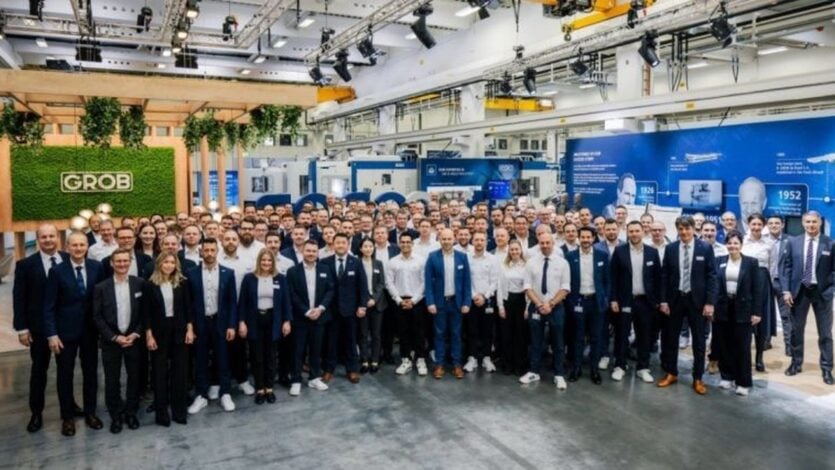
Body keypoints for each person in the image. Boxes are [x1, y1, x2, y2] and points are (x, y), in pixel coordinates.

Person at [43, 231, 105, 436]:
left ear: (87, 247)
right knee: (65, 375)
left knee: (91, 374)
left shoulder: (97, 267)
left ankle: (90, 413)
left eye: (82, 245)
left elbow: (102, 299)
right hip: (64, 333)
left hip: (90, 332)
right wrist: (52, 334)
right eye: (74, 245)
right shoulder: (56, 272)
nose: (78, 248)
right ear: (67, 247)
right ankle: (67, 417)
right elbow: (48, 306)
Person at [13, 224, 69, 433]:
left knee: (66, 371)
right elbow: (19, 298)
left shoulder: (69, 258)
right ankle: (36, 412)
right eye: (43, 237)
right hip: (38, 329)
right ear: (38, 239)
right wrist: (21, 328)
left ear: (57, 238)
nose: (48, 240)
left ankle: (68, 409)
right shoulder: (25, 265)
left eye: (51, 236)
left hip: (65, 327)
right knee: (39, 371)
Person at [658, 215, 718, 395]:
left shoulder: (705, 248)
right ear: (677, 230)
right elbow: (664, 276)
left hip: (697, 301)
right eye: (681, 229)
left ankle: (697, 378)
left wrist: (710, 302)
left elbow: (712, 276)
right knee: (671, 339)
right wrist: (663, 300)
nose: (684, 232)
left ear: (693, 229)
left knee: (699, 341)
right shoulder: (670, 248)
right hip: (675, 299)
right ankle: (671, 373)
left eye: (687, 228)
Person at [93, 248, 147, 434]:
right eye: (118, 261)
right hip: (111, 342)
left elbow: (145, 313)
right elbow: (97, 316)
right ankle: (116, 415)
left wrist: (136, 333)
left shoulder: (140, 283)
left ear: (130, 262)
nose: (122, 264)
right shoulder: (101, 287)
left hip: (134, 340)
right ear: (111, 263)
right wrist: (114, 337)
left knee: (134, 378)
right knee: (112, 380)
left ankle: (131, 412)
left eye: (125, 261)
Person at [781, 211, 834, 385]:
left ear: (820, 223)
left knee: (825, 333)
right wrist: (786, 290)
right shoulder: (793, 242)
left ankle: (826, 369)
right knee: (796, 331)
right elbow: (786, 267)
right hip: (799, 292)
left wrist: (831, 290)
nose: (811, 225)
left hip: (822, 293)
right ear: (803, 223)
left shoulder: (830, 243)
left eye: (814, 222)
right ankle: (796, 363)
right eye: (808, 222)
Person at [187, 238, 239, 414]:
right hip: (200, 323)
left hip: (220, 322)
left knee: (223, 358)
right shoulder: (191, 273)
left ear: (217, 251)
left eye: (212, 250)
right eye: (206, 250)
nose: (209, 253)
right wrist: (190, 326)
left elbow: (232, 302)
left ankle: (225, 393)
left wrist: (231, 325)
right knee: (200, 359)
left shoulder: (228, 273)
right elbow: (188, 303)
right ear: (201, 252)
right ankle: (201, 395)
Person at [144, 253, 194, 426]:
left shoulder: (182, 282)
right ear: (159, 264)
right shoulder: (150, 285)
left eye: (172, 262)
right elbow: (146, 313)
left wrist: (190, 329)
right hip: (159, 332)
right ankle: (161, 414)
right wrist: (149, 335)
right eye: (166, 262)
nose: (169, 265)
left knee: (180, 372)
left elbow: (188, 308)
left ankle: (179, 412)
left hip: (179, 330)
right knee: (159, 373)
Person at [237, 249, 292, 405]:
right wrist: (241, 322)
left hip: (273, 320)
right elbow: (242, 302)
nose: (266, 263)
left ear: (273, 262)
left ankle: (269, 387)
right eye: (263, 260)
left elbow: (286, 301)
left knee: (271, 356)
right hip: (254, 320)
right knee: (257, 356)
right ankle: (260, 388)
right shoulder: (249, 278)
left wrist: (287, 321)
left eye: (269, 260)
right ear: (259, 261)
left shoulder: (280, 278)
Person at [610, 221, 661, 383]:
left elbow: (658, 278)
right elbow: (613, 278)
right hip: (625, 300)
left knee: (644, 336)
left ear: (643, 232)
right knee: (622, 334)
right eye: (631, 231)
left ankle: (643, 368)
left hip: (645, 302)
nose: (634, 234)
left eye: (637, 231)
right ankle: (620, 366)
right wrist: (613, 299)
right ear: (627, 233)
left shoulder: (652, 252)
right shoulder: (620, 251)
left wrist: (657, 301)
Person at [714, 230, 763, 396]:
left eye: (736, 243)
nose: (732, 246)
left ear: (741, 245)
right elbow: (715, 285)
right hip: (723, 308)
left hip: (743, 309)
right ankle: (726, 376)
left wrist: (756, 312)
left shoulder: (751, 263)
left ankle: (743, 382)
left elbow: (757, 288)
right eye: (729, 243)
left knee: (742, 346)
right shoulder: (719, 261)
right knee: (724, 344)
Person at [519, 234, 570, 389]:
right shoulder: (531, 263)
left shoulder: (562, 263)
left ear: (553, 243)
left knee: (558, 342)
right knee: (535, 341)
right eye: (542, 243)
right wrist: (540, 304)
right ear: (538, 244)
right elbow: (527, 286)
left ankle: (559, 374)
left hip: (556, 307)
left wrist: (551, 304)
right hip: (536, 306)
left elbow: (565, 287)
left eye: (548, 242)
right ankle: (534, 371)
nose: (545, 245)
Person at [286, 240, 335, 396]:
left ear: (317, 253)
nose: (311, 253)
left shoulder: (325, 269)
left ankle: (314, 378)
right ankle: (296, 380)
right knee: (297, 350)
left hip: (319, 317)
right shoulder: (292, 271)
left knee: (316, 349)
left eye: (314, 251)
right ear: (303, 252)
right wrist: (306, 311)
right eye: (308, 251)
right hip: (301, 318)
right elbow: (292, 294)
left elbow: (330, 290)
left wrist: (320, 308)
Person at [425, 228, 472, 380]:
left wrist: (467, 302)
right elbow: (428, 282)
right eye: (443, 239)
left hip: (456, 303)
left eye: (449, 239)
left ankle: (457, 364)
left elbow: (467, 282)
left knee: (456, 334)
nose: (446, 242)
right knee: (439, 334)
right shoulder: (432, 257)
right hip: (439, 303)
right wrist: (430, 302)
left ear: (454, 239)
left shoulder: (462, 257)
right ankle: (439, 364)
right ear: (439, 240)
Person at [566, 227, 610, 385]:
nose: (585, 240)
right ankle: (576, 368)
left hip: (596, 303)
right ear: (579, 238)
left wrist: (605, 299)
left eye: (588, 237)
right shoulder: (570, 256)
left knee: (596, 338)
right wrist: (571, 302)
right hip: (578, 302)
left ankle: (594, 370)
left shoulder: (602, 256)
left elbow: (607, 281)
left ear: (593, 238)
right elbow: (567, 280)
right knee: (577, 337)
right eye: (583, 237)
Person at [387, 233, 429, 376]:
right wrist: (399, 300)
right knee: (403, 332)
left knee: (419, 332)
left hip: (417, 301)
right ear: (399, 244)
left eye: (408, 242)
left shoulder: (421, 261)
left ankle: (421, 359)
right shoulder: (393, 262)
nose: (405, 244)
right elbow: (389, 282)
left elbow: (424, 282)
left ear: (412, 244)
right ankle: (406, 360)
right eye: (403, 242)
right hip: (400, 301)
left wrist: (414, 300)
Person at [741, 214, 775, 372]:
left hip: (762, 283)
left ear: (763, 226)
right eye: (753, 224)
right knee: (745, 320)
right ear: (748, 225)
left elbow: (772, 266)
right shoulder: (742, 241)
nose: (756, 227)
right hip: (745, 282)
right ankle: (745, 358)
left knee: (761, 321)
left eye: (759, 224)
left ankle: (759, 357)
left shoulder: (769, 244)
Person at [463, 232, 499, 373]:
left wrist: (484, 296)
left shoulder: (492, 259)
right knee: (471, 330)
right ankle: (472, 358)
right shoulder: (466, 258)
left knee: (487, 330)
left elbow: (494, 281)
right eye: (476, 240)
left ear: (486, 242)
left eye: (482, 240)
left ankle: (486, 358)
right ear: (472, 241)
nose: (479, 242)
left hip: (487, 300)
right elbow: (466, 280)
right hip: (471, 300)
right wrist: (474, 296)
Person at [497, 240, 529, 376]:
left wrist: (528, 307)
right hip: (507, 300)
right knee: (506, 334)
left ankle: (520, 365)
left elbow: (530, 287)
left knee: (520, 335)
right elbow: (499, 287)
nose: (514, 252)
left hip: (522, 301)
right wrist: (500, 306)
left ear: (521, 250)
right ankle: (507, 364)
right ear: (508, 251)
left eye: (517, 249)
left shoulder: (527, 266)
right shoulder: (503, 266)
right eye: (512, 249)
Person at [358, 238, 387, 374]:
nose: (368, 249)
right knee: (363, 334)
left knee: (376, 334)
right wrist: (364, 300)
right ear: (360, 249)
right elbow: (355, 284)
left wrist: (374, 299)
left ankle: (375, 360)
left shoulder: (378, 263)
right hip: (362, 304)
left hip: (377, 304)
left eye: (370, 246)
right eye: (365, 246)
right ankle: (364, 360)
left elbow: (381, 283)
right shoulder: (356, 263)